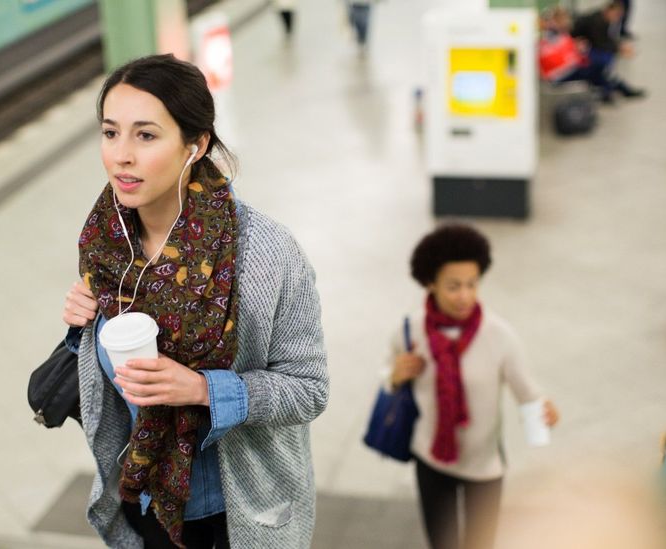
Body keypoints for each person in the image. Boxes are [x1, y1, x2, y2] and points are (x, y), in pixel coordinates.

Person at [61, 54, 328, 548]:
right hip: (142, 497)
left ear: (195, 144)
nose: (121, 155)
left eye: (145, 135)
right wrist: (81, 330)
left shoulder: (266, 253)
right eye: (110, 132)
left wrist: (204, 389)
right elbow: (109, 383)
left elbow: (309, 389)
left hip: (233, 514)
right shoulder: (105, 243)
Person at [387, 224, 559, 549]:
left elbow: (528, 394)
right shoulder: (410, 331)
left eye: (472, 284)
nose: (465, 295)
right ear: (430, 284)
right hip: (431, 459)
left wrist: (545, 417)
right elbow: (388, 376)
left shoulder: (499, 335)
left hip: (484, 467)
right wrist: (395, 375)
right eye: (453, 286)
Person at [569, 0, 644, 103]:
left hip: (585, 47)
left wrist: (618, 47)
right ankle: (612, 90)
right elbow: (600, 43)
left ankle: (613, 90)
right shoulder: (597, 22)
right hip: (579, 49)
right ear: (609, 11)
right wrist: (619, 49)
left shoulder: (602, 19)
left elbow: (604, 39)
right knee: (603, 63)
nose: (617, 18)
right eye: (617, 15)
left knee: (604, 67)